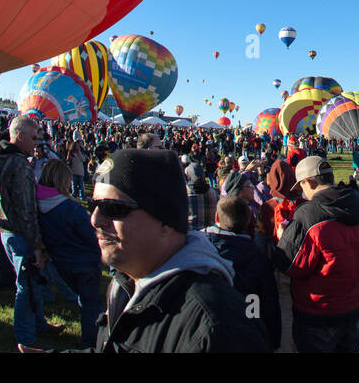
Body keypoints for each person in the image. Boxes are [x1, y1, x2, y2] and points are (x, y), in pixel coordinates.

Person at [86, 149, 271, 352]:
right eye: (93, 205)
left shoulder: (215, 326)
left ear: (165, 220)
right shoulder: (124, 283)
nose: (95, 220)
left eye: (113, 208)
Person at [274, 156, 359, 352]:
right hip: (354, 303)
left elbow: (292, 265)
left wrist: (284, 238)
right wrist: (357, 279)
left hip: (318, 311)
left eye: (301, 187)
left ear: (308, 182)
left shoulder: (308, 214)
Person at [0, 115, 54, 352]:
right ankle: (25, 338)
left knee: (31, 282)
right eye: (34, 137)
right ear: (20, 136)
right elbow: (27, 208)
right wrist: (37, 244)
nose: (37, 142)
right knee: (26, 284)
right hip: (19, 232)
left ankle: (40, 324)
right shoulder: (19, 164)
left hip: (3, 230)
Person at [36, 159, 103, 350]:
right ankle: (91, 342)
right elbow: (91, 235)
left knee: (84, 300)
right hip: (85, 262)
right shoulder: (70, 208)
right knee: (92, 304)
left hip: (62, 262)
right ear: (63, 181)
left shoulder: (38, 205)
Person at [205, 195, 281, 350]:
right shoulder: (259, 259)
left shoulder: (200, 252)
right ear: (248, 222)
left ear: (217, 217)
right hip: (249, 327)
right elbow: (269, 304)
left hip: (210, 332)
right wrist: (273, 339)